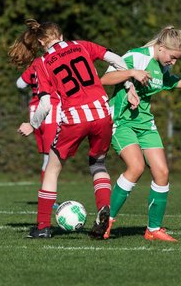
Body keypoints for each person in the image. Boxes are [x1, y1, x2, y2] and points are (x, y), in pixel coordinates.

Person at [17, 19, 151, 239]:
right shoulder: (81, 45)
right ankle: (103, 209)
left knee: (52, 168)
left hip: (75, 117)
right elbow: (117, 60)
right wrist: (129, 86)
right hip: (102, 113)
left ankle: (42, 227)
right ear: (61, 35)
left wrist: (32, 124)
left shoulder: (42, 62)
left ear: (42, 41)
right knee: (98, 163)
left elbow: (45, 104)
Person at [100, 25, 181, 242]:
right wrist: (131, 73)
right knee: (136, 167)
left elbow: (169, 82)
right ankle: (105, 222)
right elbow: (104, 79)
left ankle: (153, 230)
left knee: (162, 172)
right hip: (122, 122)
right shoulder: (136, 57)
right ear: (160, 47)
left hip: (146, 123)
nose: (173, 62)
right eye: (173, 57)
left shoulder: (161, 65)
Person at [8, 40, 62, 185]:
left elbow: (20, 84)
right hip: (51, 110)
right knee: (51, 158)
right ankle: (47, 195)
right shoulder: (52, 62)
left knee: (46, 156)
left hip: (34, 112)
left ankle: (46, 195)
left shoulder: (34, 65)